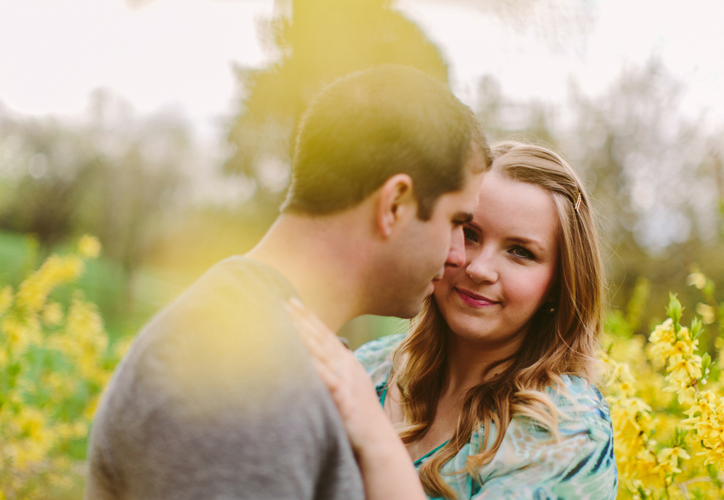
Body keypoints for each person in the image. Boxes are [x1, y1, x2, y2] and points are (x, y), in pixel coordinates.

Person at [85, 64, 491, 500]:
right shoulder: (240, 379)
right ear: (394, 204)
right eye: (456, 223)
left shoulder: (277, 342)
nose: (457, 256)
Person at [292, 140, 618, 500]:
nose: (478, 269)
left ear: (560, 283)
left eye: (520, 252)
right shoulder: (369, 368)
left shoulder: (566, 429)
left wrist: (375, 441)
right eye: (469, 233)